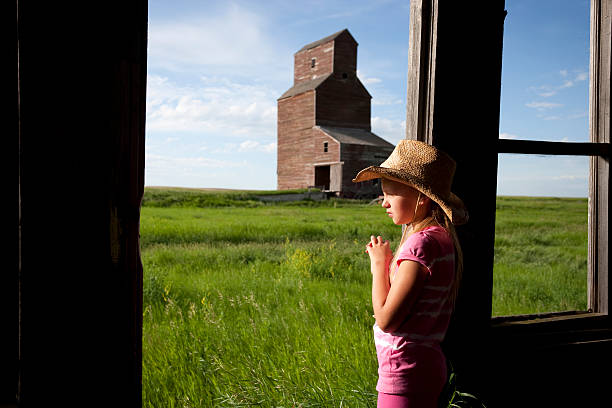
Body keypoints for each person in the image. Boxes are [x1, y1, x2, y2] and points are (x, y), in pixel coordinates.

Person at [353, 140, 468, 408]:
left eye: (390, 195)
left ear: (421, 196)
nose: (384, 203)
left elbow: (386, 320)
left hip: (405, 372)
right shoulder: (441, 239)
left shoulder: (421, 244)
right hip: (423, 367)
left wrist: (379, 265)